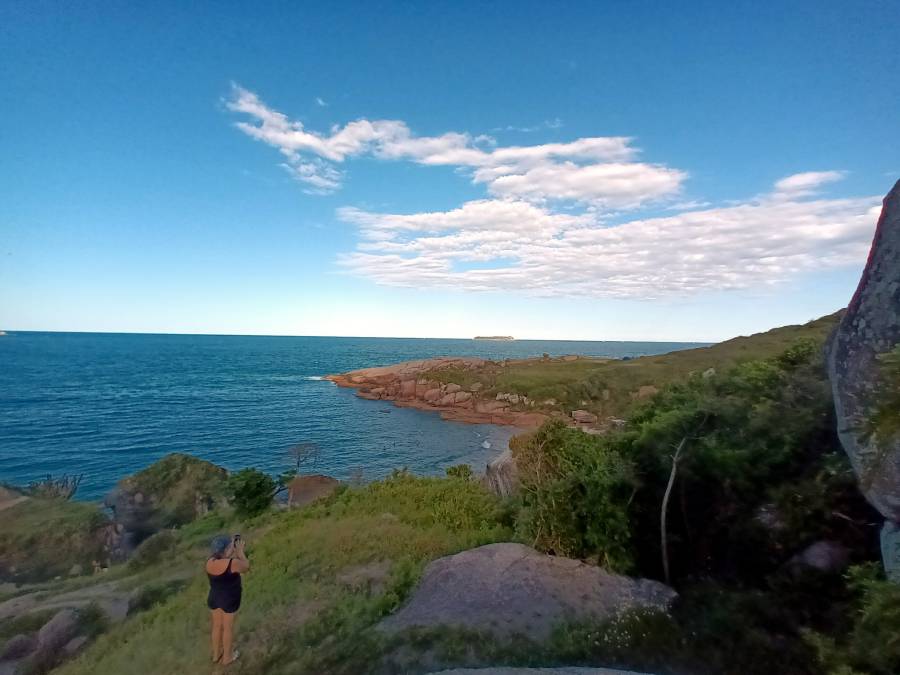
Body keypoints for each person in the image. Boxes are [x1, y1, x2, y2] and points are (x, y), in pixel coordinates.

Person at [206, 534, 249, 665]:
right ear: (226, 549)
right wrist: (240, 552)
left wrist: (230, 553)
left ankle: (216, 655)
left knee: (217, 626)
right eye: (231, 546)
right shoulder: (232, 563)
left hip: (214, 597)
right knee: (227, 628)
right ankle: (227, 658)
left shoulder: (209, 562)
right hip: (229, 599)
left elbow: (221, 564)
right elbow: (246, 567)